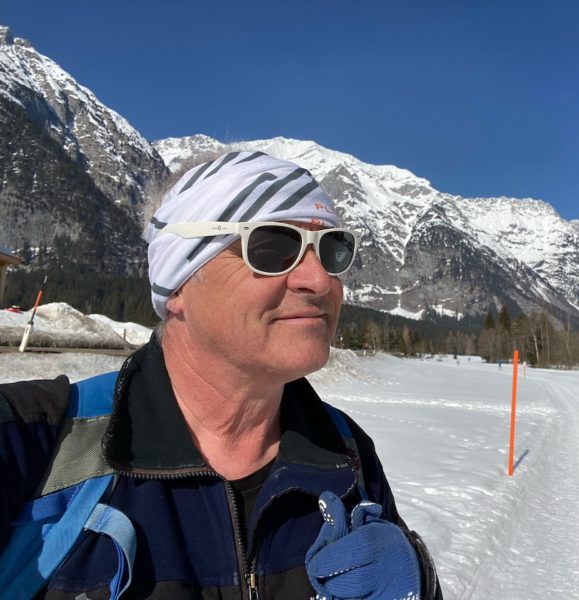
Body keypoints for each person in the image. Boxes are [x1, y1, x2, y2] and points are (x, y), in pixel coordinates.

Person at [0, 151, 441, 599]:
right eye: (273, 246)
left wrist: (421, 584)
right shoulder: (35, 441)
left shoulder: (347, 453)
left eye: (332, 250)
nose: (320, 280)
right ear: (178, 285)